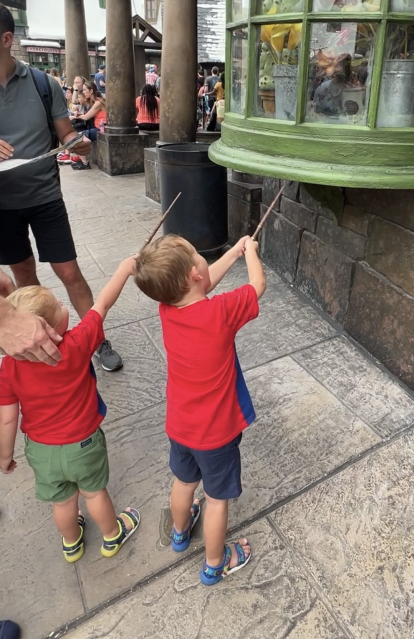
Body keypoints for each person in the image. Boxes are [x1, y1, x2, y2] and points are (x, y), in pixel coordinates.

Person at [133, 233, 266, 585]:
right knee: (215, 500)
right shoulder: (220, 312)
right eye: (197, 253)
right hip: (216, 434)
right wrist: (251, 252)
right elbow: (257, 285)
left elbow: (199, 284)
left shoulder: (167, 308)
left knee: (183, 481)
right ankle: (214, 563)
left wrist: (233, 253)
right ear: (194, 273)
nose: (201, 256)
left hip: (180, 425)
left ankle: (179, 533)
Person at [0, 4, 123, 372]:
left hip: (45, 197)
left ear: (6, 40)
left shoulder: (43, 83)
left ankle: (96, 339)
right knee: (22, 273)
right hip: (2, 204)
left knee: (69, 272)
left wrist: (77, 143)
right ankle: (41, 334)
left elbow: (65, 133)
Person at [0, 257, 141, 564]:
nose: (64, 304)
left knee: (63, 502)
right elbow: (101, 304)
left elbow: (8, 416)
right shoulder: (77, 345)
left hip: (41, 451)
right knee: (93, 493)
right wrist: (123, 269)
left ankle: (72, 544)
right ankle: (111, 534)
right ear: (46, 330)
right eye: (59, 305)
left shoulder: (9, 366)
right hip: (84, 444)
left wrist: (5, 455)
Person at [70, 81, 106, 171]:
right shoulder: (94, 102)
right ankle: (82, 160)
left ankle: (84, 163)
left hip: (101, 129)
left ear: (91, 91)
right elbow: (75, 103)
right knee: (76, 135)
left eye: (85, 90)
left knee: (78, 136)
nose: (84, 92)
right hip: (98, 127)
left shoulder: (99, 102)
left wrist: (74, 116)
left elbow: (86, 117)